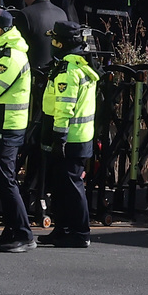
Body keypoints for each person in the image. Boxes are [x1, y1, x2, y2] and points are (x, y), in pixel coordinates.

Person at [0, 8, 35, 252]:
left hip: (8, 124)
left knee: (6, 179)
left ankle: (24, 234)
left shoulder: (12, 56)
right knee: (2, 180)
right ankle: (11, 230)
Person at [40, 21, 98, 248]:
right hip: (78, 136)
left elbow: (64, 107)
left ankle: (80, 232)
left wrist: (59, 138)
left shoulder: (68, 71)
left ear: (61, 43)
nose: (52, 44)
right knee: (61, 185)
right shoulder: (76, 65)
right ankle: (62, 229)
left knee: (71, 186)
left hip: (70, 138)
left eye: (54, 40)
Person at [15, 0, 67, 71]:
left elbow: (17, 49)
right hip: (56, 73)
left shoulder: (25, 15)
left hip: (33, 73)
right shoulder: (61, 13)